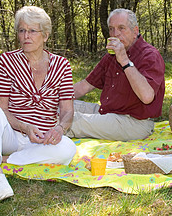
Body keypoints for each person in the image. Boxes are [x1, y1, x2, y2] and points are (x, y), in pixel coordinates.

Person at [0, 6, 76, 202]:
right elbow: (1, 109)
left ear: (45, 35)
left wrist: (59, 128)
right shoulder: (7, 61)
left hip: (43, 140)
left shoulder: (62, 65)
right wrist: (25, 126)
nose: (26, 36)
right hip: (11, 134)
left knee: (68, 150)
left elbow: (67, 111)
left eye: (32, 31)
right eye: (22, 30)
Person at [66, 8, 165, 141]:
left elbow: (147, 96)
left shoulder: (150, 55)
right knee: (61, 106)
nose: (115, 34)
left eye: (121, 28)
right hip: (108, 113)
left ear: (135, 31)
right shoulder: (111, 57)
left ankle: (35, 142)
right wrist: (51, 99)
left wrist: (124, 61)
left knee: (70, 121)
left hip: (134, 123)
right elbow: (85, 85)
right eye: (112, 29)